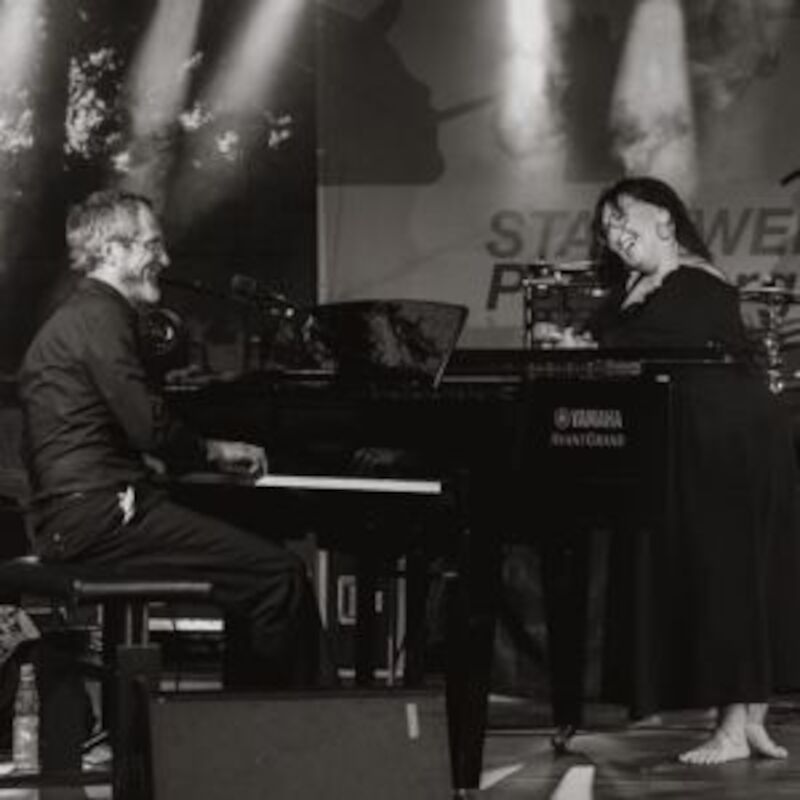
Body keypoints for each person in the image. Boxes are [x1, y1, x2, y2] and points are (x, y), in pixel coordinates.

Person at [18, 188, 334, 689]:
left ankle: (249, 714)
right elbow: (149, 426)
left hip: (78, 514)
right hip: (100, 518)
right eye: (152, 245)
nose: (164, 260)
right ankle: (296, 728)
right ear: (112, 250)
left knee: (255, 556)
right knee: (278, 576)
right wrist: (215, 450)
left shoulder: (81, 316)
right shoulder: (101, 317)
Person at [586, 175, 800, 764]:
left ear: (664, 218)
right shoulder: (638, 286)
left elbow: (639, 341)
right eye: (606, 228)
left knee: (734, 573)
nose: (615, 234)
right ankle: (746, 719)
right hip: (699, 440)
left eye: (622, 217)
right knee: (725, 574)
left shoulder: (696, 281)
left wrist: (588, 343)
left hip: (733, 440)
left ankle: (736, 726)